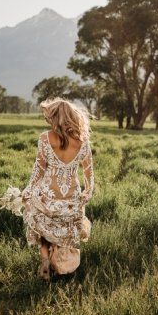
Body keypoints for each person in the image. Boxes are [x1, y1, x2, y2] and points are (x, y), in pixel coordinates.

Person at [22, 98, 94, 280]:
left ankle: (45, 260)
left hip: (48, 194)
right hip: (70, 197)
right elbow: (88, 171)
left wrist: (29, 188)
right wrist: (88, 191)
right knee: (64, 231)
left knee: (43, 229)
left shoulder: (45, 138)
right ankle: (61, 265)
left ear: (55, 118)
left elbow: (39, 168)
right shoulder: (82, 142)